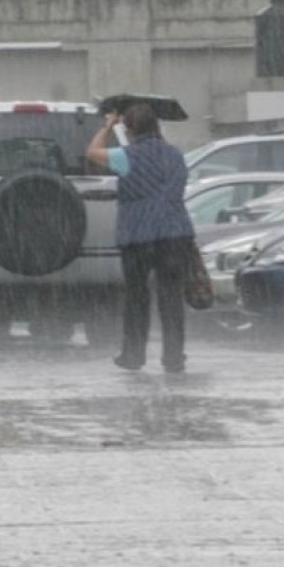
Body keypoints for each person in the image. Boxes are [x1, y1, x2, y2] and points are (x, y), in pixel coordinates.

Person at [86, 103, 195, 373]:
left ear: (130, 129)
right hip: (174, 233)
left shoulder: (126, 156)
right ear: (157, 127)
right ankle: (174, 358)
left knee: (137, 296)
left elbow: (91, 153)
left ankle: (133, 355)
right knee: (171, 296)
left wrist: (107, 126)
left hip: (138, 235)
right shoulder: (175, 155)